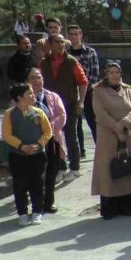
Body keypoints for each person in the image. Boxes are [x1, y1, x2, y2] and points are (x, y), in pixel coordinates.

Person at [91, 61, 131, 219]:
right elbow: (100, 114)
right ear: (106, 74)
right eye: (112, 72)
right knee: (109, 170)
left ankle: (126, 206)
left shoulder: (127, 89)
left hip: (126, 134)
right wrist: (116, 127)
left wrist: (124, 124)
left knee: (127, 168)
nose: (115, 75)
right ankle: (109, 208)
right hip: (108, 135)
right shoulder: (98, 90)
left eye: (117, 72)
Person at [39, 33, 88, 182]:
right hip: (49, 104)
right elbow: (38, 81)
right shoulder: (44, 63)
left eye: (62, 42)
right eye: (57, 42)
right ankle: (59, 167)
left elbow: (83, 82)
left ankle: (75, 168)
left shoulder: (72, 62)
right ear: (50, 44)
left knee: (71, 135)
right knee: (52, 136)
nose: (60, 45)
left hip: (70, 103)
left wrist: (81, 101)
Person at [2, 83, 52, 226]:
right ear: (19, 97)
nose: (33, 95)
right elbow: (6, 135)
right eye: (29, 93)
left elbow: (48, 131)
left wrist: (39, 144)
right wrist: (21, 146)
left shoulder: (38, 112)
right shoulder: (9, 114)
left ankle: (37, 212)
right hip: (17, 156)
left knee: (37, 184)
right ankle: (22, 213)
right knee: (20, 185)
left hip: (37, 155)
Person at [27, 68, 66, 215]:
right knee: (35, 174)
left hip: (51, 139)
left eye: (38, 77)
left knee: (51, 172)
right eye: (32, 78)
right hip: (32, 141)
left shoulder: (53, 96)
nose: (36, 81)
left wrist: (49, 127)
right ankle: (36, 204)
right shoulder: (21, 97)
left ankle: (49, 202)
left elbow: (62, 115)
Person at [67, 24, 99, 154]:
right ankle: (80, 149)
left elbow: (95, 73)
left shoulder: (90, 52)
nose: (74, 37)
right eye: (71, 34)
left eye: (76, 34)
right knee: (75, 123)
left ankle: (100, 146)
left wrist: (85, 89)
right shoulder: (66, 53)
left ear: (81, 35)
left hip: (88, 92)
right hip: (71, 92)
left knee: (93, 120)